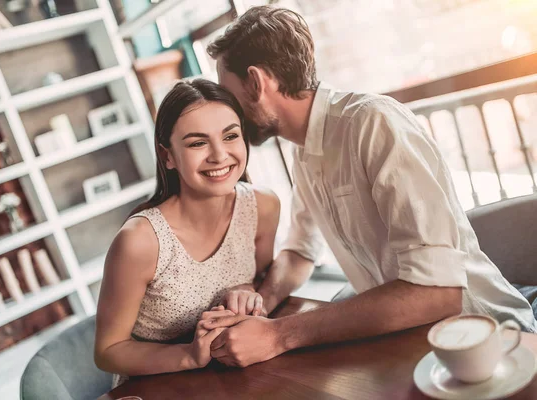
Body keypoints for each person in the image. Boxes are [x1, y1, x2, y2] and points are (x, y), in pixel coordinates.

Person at [201, 5, 537, 368]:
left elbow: (438, 293)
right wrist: (261, 303)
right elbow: (300, 253)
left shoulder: (373, 124)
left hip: (490, 341)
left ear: (255, 83)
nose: (229, 113)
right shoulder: (303, 153)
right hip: (413, 347)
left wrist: (279, 335)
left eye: (229, 94)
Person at [94, 79, 280, 387]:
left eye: (230, 136)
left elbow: (260, 278)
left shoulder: (263, 206)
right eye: (197, 143)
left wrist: (247, 293)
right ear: (167, 156)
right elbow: (108, 351)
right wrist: (189, 356)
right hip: (160, 387)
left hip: (234, 372)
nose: (220, 156)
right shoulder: (140, 241)